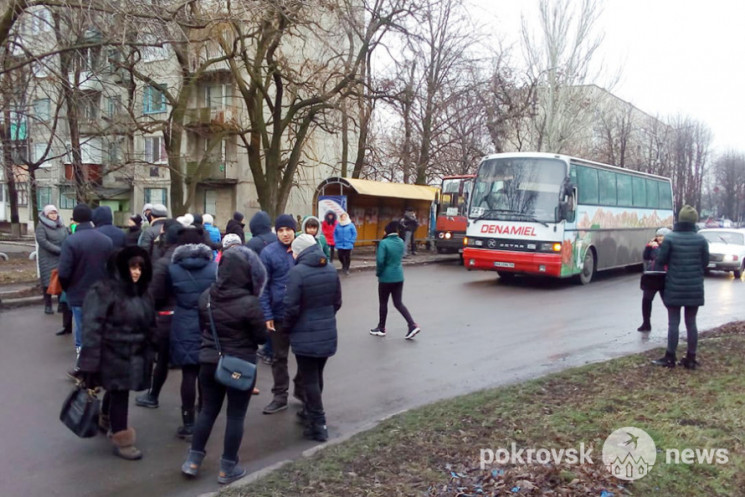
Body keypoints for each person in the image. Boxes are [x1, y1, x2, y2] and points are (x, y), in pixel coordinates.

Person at [180, 246, 268, 483]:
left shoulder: (206, 297)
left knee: (207, 410)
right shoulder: (250, 302)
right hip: (240, 364)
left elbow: (204, 328)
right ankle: (227, 467)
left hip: (209, 361)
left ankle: (193, 460)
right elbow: (261, 337)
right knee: (236, 415)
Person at [77, 246, 155, 460]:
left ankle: (105, 418)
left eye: (140, 267)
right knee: (120, 392)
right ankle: (122, 439)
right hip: (113, 354)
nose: (137, 272)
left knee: (118, 389)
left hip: (134, 354)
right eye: (132, 267)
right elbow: (92, 327)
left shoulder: (141, 291)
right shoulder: (103, 291)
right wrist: (89, 363)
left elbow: (148, 322)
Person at [283, 234, 341, 442]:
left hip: (304, 333)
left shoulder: (297, 273)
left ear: (299, 252)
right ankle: (310, 411)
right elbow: (337, 302)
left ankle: (318, 423)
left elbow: (291, 307)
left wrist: (287, 329)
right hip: (327, 331)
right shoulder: (331, 269)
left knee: (310, 379)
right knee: (317, 375)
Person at [167, 228, 218, 438]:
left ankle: (188, 423)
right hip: (208, 322)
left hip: (183, 323)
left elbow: (167, 295)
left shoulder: (173, 269)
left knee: (188, 374)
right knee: (205, 375)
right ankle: (204, 416)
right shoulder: (213, 268)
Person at [652, 205, 709, 369]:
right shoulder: (701, 240)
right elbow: (705, 262)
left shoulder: (670, 238)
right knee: (691, 323)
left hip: (674, 286)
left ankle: (670, 356)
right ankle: (691, 357)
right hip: (694, 288)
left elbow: (661, 260)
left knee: (673, 323)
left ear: (679, 220)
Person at [58, 204, 114, 366]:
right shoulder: (106, 241)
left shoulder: (71, 241)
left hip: (78, 292)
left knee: (82, 326)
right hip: (102, 292)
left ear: (74, 219)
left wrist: (68, 288)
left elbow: (64, 272)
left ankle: (83, 362)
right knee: (100, 325)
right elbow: (111, 268)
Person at [260, 214, 302, 414]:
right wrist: (267, 314)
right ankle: (280, 396)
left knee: (304, 356)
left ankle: (302, 391)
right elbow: (263, 286)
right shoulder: (268, 253)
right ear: (276, 232)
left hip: (301, 315)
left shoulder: (304, 249)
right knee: (279, 357)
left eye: (288, 230)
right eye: (281, 230)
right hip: (278, 315)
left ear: (295, 230)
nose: (285, 234)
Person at [135, 220, 181, 409]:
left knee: (161, 359)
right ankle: (194, 412)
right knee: (191, 368)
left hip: (166, 318)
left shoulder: (164, 263)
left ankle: (153, 395)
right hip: (190, 318)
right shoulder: (198, 258)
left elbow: (154, 295)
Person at [370, 221, 421, 340]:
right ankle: (412, 324)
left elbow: (380, 261)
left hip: (386, 278)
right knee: (398, 303)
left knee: (383, 303)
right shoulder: (401, 242)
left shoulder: (384, 243)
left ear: (387, 231)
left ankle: (381, 328)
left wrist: (378, 273)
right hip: (399, 276)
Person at [35, 204, 68, 316]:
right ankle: (48, 305)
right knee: (47, 281)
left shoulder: (61, 225)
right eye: (51, 213)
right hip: (47, 258)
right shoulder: (41, 226)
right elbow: (42, 241)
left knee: (61, 279)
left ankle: (60, 304)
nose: (53, 215)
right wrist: (59, 250)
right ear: (46, 214)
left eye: (55, 213)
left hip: (61, 256)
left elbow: (67, 237)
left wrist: (66, 248)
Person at [637, 228, 671, 332]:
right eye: (658, 236)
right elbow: (646, 256)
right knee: (646, 300)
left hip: (664, 276)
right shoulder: (653, 245)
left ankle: (673, 323)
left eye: (662, 236)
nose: (659, 238)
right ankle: (646, 323)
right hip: (652, 275)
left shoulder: (670, 246)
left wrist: (657, 248)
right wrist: (648, 247)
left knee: (668, 302)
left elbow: (661, 258)